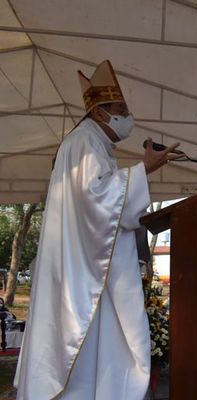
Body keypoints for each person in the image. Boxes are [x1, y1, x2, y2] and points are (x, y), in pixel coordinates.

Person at [14, 60, 183, 400]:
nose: (127, 117)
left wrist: (138, 175)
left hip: (85, 265)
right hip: (85, 277)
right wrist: (142, 171)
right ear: (102, 113)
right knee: (88, 349)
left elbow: (101, 199)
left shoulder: (93, 143)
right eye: (121, 109)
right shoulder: (84, 144)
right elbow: (98, 198)